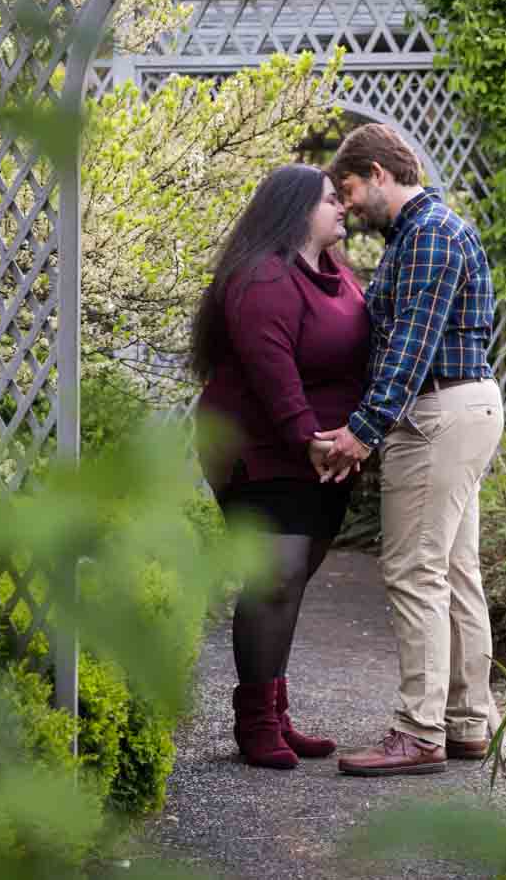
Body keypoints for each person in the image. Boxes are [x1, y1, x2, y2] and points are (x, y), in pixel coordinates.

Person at [310, 123, 503, 777]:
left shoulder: (428, 236)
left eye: (351, 187)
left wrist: (363, 430)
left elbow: (410, 349)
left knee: (415, 570)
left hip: (438, 412)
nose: (349, 203)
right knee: (453, 570)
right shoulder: (425, 234)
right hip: (461, 403)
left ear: (380, 172)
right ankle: (467, 720)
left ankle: (420, 731)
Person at [191, 163, 370, 770]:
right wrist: (308, 439)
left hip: (321, 452)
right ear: (296, 210)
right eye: (329, 200)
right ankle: (255, 723)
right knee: (276, 574)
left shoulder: (336, 277)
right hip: (260, 445)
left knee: (294, 577)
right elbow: (274, 373)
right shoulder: (264, 279)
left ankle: (277, 713)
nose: (341, 207)